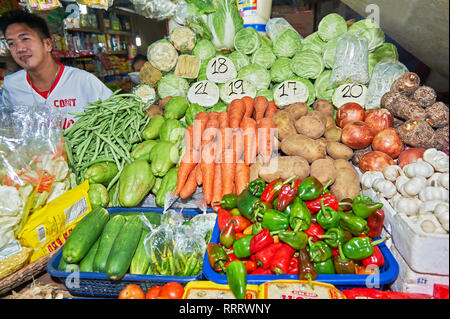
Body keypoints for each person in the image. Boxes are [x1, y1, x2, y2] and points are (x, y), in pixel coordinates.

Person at [0, 10, 112, 129]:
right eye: (11, 43)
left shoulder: (84, 81)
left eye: (25, 39)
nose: (19, 49)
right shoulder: (11, 86)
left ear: (48, 44)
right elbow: (9, 130)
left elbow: (115, 119)